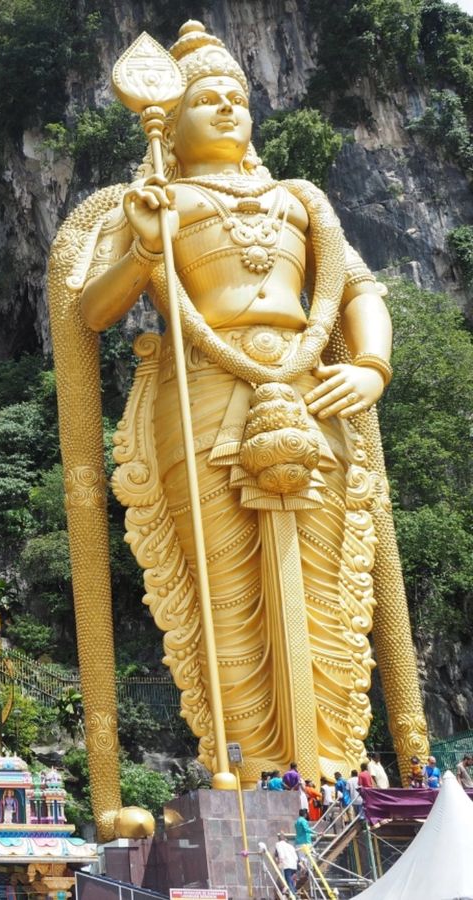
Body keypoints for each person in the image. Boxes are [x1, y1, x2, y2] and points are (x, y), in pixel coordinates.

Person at [58, 18, 418, 787]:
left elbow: (359, 292)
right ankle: (253, 772)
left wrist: (374, 367)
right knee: (223, 592)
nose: (226, 108)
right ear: (174, 125)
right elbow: (92, 311)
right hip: (203, 395)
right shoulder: (159, 201)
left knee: (327, 587)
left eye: (237, 98)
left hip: (311, 389)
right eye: (206, 99)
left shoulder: (301, 201)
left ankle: (338, 766)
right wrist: (147, 250)